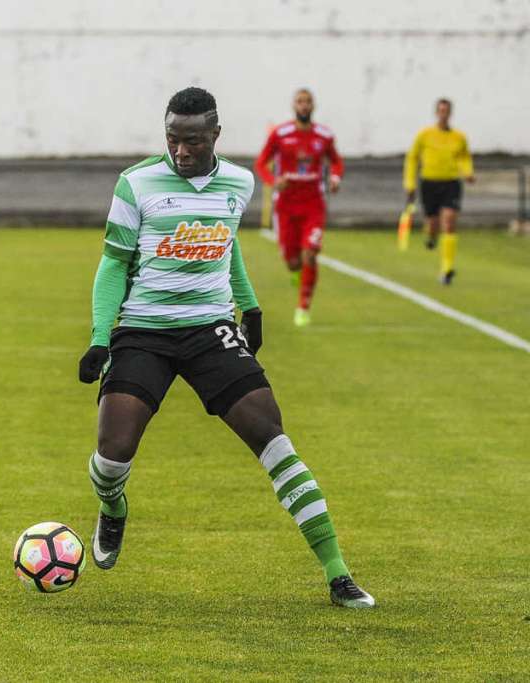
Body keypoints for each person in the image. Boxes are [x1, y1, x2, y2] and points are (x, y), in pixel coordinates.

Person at [78, 87, 374, 608]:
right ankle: (113, 506)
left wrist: (250, 305)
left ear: (215, 135)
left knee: (273, 437)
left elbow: (226, 239)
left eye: (192, 140)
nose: (181, 150)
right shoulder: (136, 183)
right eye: (173, 139)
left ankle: (338, 573)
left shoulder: (239, 182)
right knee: (112, 453)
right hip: (144, 329)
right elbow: (113, 266)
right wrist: (101, 339)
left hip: (209, 328)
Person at [255, 89, 343, 327]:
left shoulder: (324, 135)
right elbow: (261, 163)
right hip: (285, 204)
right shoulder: (281, 134)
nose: (304, 106)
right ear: (294, 105)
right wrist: (274, 181)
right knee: (293, 261)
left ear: (313, 106)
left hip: (313, 203)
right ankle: (297, 273)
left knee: (310, 254)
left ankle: (303, 307)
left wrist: (335, 178)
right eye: (300, 102)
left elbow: (336, 161)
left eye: (308, 102)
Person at [404, 98, 474, 285]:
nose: (443, 114)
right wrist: (410, 183)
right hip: (430, 182)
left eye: (446, 111)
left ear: (450, 113)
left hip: (451, 182)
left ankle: (447, 268)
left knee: (449, 221)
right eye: (440, 110)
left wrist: (467, 172)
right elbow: (412, 159)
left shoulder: (459, 137)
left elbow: (464, 157)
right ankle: (431, 237)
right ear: (436, 112)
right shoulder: (425, 135)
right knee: (433, 223)